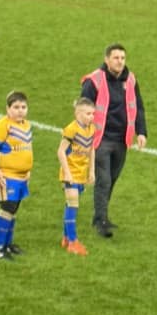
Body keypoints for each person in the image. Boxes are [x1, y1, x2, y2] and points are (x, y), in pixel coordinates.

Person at [80, 43, 147, 237]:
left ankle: (101, 215)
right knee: (104, 180)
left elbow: (139, 106)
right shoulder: (94, 81)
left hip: (122, 139)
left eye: (122, 58)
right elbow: (83, 108)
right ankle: (100, 221)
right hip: (101, 139)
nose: (120, 61)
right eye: (116, 58)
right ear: (107, 60)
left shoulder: (130, 79)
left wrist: (141, 132)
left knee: (113, 178)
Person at [0, 90, 33, 259]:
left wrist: (28, 170)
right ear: (8, 109)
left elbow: (26, 149)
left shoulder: (26, 125)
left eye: (23, 107)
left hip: (21, 176)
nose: (20, 110)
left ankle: (7, 244)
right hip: (7, 175)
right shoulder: (3, 125)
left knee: (14, 210)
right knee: (7, 209)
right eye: (16, 107)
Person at [57, 97, 96, 256]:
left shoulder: (91, 128)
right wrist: (66, 172)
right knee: (73, 205)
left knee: (70, 205)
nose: (91, 117)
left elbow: (91, 149)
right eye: (88, 113)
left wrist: (91, 171)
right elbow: (60, 151)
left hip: (81, 173)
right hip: (71, 173)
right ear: (78, 114)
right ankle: (73, 241)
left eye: (93, 113)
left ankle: (66, 238)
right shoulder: (71, 129)